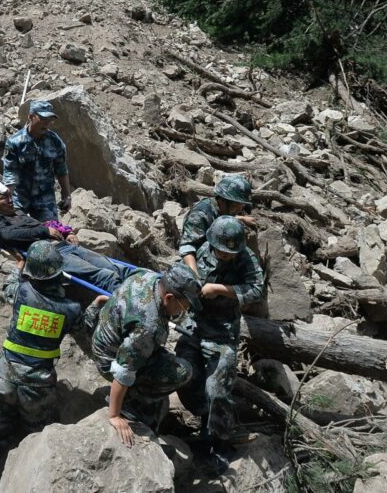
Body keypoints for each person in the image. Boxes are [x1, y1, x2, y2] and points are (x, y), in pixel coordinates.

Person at [0, 241, 106, 492]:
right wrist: (94, 307)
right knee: (40, 438)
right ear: (59, 273)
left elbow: (8, 286)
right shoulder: (69, 310)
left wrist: (18, 267)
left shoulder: (21, 292)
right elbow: (85, 334)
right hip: (37, 387)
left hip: (4, 377)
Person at [175, 216, 264, 451]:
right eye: (222, 251)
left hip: (222, 332)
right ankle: (203, 415)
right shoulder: (203, 250)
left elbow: (257, 290)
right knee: (182, 372)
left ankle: (218, 441)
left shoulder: (246, 258)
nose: (226, 256)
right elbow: (179, 270)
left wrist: (221, 290)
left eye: (230, 253)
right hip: (194, 325)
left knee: (218, 388)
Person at [91, 264, 200, 446]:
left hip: (106, 337)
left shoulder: (150, 278)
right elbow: (123, 369)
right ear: (169, 297)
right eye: (183, 306)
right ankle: (131, 403)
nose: (183, 311)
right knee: (183, 372)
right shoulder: (148, 327)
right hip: (109, 358)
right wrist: (115, 415)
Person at [0, 180, 140, 294]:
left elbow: (46, 224)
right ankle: (131, 301)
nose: (10, 200)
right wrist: (43, 232)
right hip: (50, 256)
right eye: (4, 198)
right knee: (103, 275)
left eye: (10, 195)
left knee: (114, 266)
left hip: (65, 246)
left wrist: (67, 231)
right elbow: (8, 236)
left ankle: (146, 284)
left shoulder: (19, 213)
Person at [2, 100, 71, 222]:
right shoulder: (15, 142)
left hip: (45, 197)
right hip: (20, 195)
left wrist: (66, 195)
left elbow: (61, 169)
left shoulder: (55, 141)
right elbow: (10, 174)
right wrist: (7, 199)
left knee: (51, 232)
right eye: (43, 119)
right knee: (16, 228)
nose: (47, 124)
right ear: (31, 117)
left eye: (50, 120)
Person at [179, 175, 256, 276]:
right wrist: (194, 275)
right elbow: (187, 246)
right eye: (236, 206)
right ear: (223, 201)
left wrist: (241, 218)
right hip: (202, 259)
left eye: (242, 206)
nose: (239, 210)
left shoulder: (221, 208)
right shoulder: (200, 214)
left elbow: (220, 219)